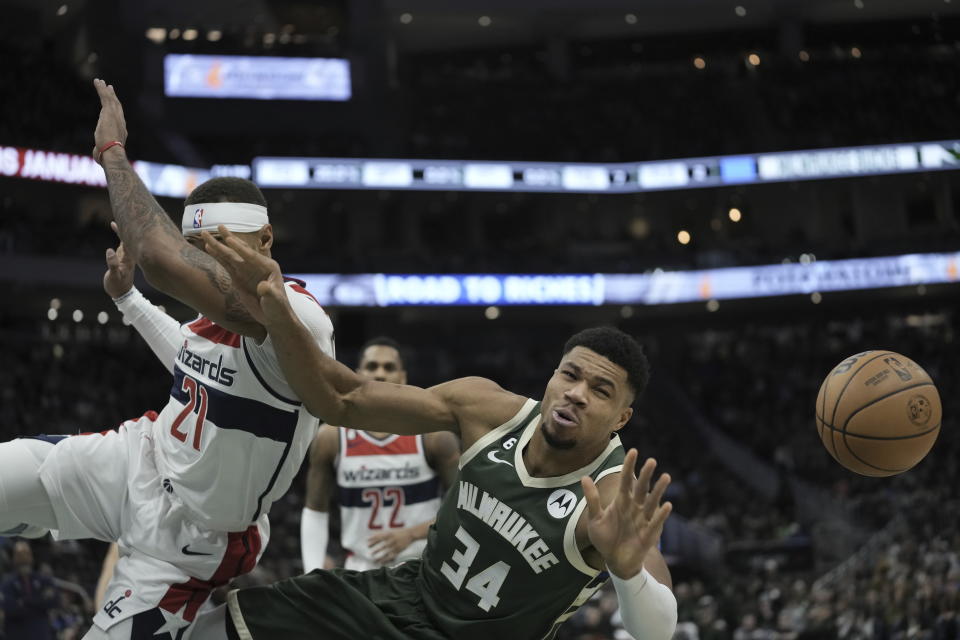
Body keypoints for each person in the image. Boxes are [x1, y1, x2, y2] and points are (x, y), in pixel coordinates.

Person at [205, 228, 679, 640]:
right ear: (552, 376)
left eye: (600, 391)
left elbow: (656, 630)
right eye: (570, 375)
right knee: (229, 622)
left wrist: (628, 571)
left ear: (622, 417)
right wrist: (274, 304)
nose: (576, 394)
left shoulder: (613, 496)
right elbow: (342, 398)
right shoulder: (488, 409)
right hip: (406, 596)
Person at [0, 79, 335, 640]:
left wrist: (112, 154)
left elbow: (159, 257)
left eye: (221, 245)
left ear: (266, 241)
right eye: (196, 249)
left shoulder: (296, 319)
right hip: (134, 462)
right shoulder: (215, 319)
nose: (204, 263)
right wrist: (127, 298)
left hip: (190, 543)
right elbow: (188, 354)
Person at [301, 337, 460, 572]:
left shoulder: (433, 435)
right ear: (357, 374)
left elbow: (464, 507)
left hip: (422, 566)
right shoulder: (331, 438)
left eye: (389, 367)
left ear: (403, 377)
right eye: (372, 366)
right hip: (361, 569)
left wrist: (411, 534)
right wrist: (310, 573)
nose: (380, 374)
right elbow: (315, 509)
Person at [0, 540, 58, 640]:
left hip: (40, 634)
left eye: (26, 553)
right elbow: (10, 608)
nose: (23, 558)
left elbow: (54, 601)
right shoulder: (7, 583)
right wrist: (39, 600)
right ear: (13, 557)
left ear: (31, 556)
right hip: (17, 634)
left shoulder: (44, 580)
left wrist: (23, 601)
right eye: (19, 554)